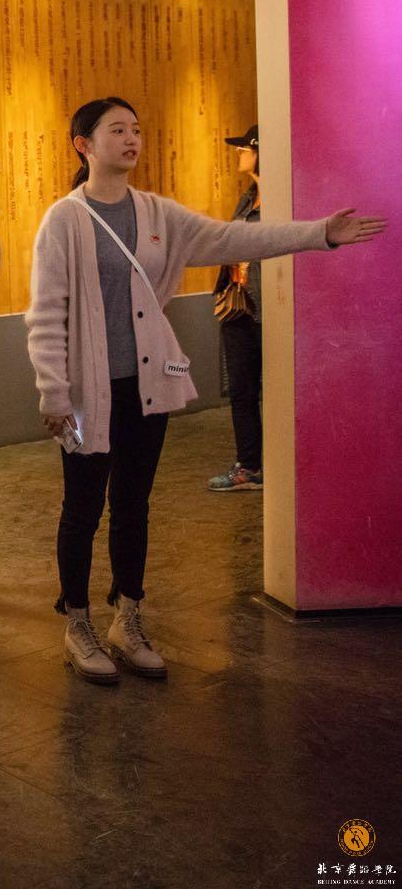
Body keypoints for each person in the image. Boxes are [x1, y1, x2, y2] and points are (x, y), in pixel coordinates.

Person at [27, 97, 386, 685]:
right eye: (117, 130)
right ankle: (78, 624)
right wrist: (53, 392)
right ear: (83, 144)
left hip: (147, 387)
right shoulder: (64, 221)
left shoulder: (156, 213)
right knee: (82, 508)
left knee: (134, 505)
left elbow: (231, 239)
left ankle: (128, 618)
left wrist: (319, 233)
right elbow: (46, 314)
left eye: (136, 129)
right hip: (89, 392)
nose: (131, 139)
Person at [208, 125, 265, 492]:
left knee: (274, 389)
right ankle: (250, 465)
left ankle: (282, 465)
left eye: (245, 148)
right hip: (238, 306)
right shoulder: (247, 198)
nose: (238, 153)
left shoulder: (283, 201)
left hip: (268, 308)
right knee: (241, 390)